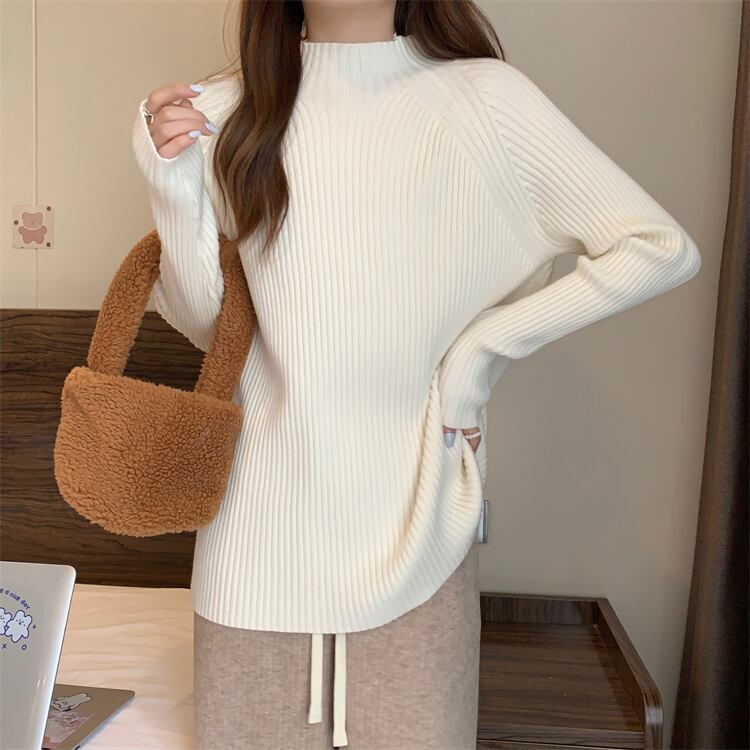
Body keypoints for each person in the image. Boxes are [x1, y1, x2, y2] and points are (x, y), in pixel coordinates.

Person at [131, 1, 702, 747]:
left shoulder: (484, 100)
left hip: (420, 527)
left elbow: (658, 246)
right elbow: (211, 329)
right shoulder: (221, 111)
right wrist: (171, 185)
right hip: (253, 541)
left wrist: (478, 356)